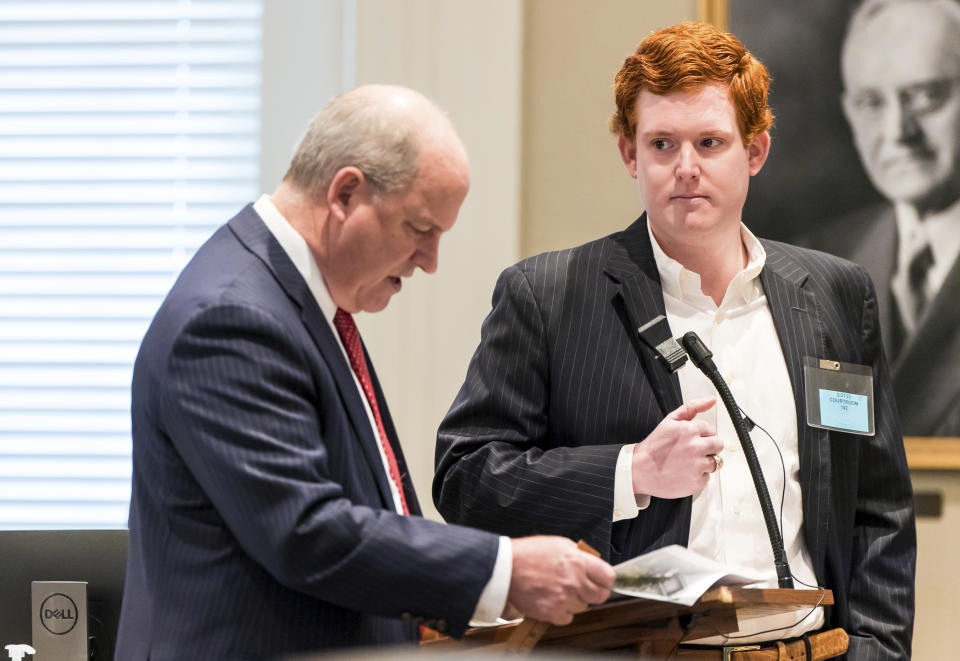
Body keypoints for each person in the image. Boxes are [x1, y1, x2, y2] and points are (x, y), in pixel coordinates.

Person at [434, 22, 915, 660]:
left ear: (755, 151)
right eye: (661, 143)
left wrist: (877, 649)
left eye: (710, 142)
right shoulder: (546, 295)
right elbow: (465, 481)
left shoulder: (835, 294)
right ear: (630, 155)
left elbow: (877, 505)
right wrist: (631, 471)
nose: (686, 168)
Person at [114, 85, 614, 661]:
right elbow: (306, 534)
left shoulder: (301, 300)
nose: (430, 261)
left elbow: (374, 512)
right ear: (345, 193)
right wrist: (505, 570)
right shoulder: (234, 317)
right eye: (421, 229)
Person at [825, 0, 960, 435]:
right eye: (871, 103)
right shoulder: (820, 262)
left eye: (926, 96)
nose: (897, 132)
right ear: (849, 114)